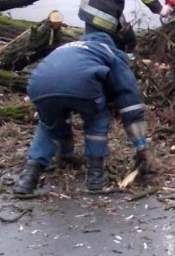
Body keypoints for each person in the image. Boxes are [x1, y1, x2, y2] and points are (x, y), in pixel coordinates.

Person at [13, 32, 155, 195]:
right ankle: (95, 175)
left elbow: (61, 80)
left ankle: (29, 177)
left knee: (49, 126)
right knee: (97, 119)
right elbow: (130, 101)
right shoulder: (110, 52)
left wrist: (66, 156)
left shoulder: (67, 49)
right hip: (82, 85)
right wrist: (141, 147)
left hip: (38, 85)